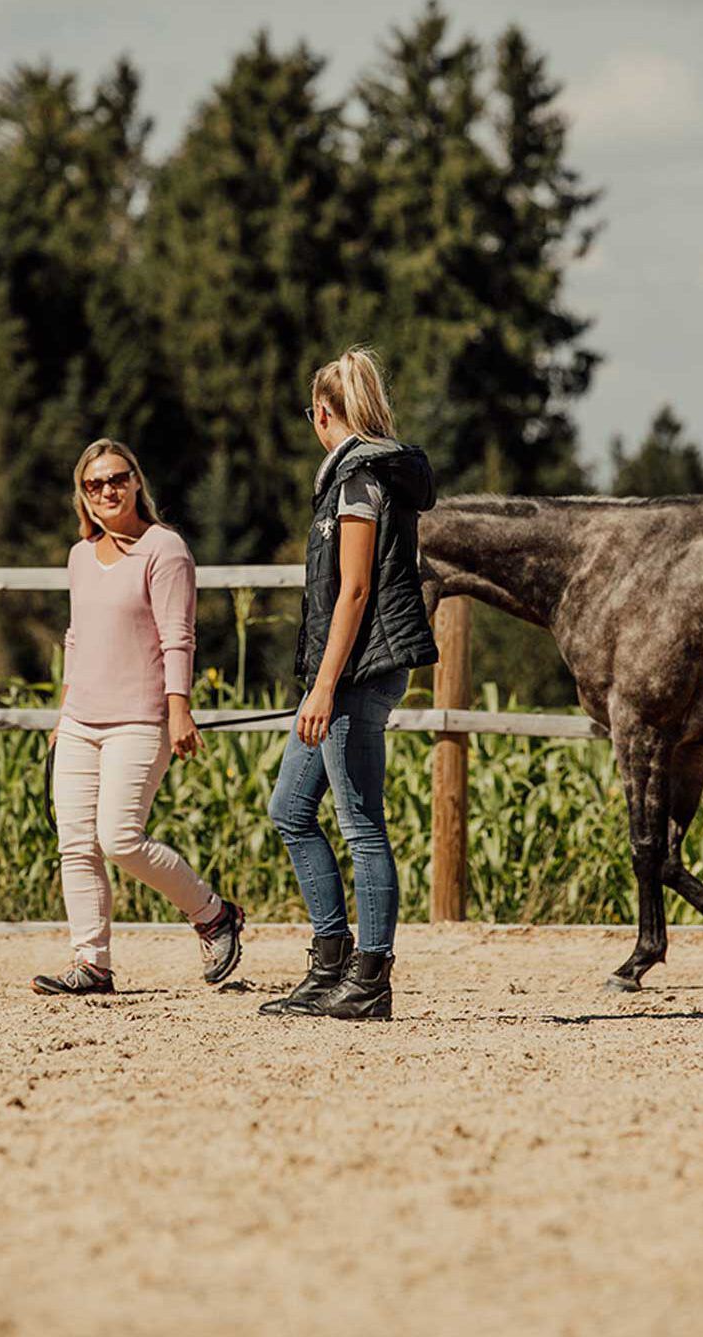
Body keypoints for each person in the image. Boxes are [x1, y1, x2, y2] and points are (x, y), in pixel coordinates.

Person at [33, 439, 245, 996]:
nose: (108, 490)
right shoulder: (81, 555)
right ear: (83, 494)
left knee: (120, 838)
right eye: (95, 484)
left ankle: (213, 914)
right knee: (75, 843)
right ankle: (92, 964)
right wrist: (63, 713)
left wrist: (179, 711)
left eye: (117, 478)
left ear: (136, 482)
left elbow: (179, 636)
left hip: (139, 718)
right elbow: (76, 639)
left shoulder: (164, 549)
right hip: (81, 719)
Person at [262, 348, 438, 1021]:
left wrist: (324, 684)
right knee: (290, 809)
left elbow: (356, 589)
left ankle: (370, 977)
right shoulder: (355, 477)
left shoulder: (359, 481)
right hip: (343, 672)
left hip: (356, 674)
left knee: (361, 823)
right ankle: (329, 961)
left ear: (324, 412)